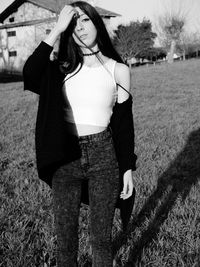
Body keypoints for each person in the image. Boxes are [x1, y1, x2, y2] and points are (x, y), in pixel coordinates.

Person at [23, 1, 137, 266]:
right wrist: (56, 30)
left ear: (96, 22)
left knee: (101, 241)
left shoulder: (118, 70)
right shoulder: (60, 69)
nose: (80, 28)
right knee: (65, 243)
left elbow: (122, 124)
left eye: (85, 20)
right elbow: (29, 74)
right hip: (65, 157)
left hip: (103, 158)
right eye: (74, 24)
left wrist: (127, 167)